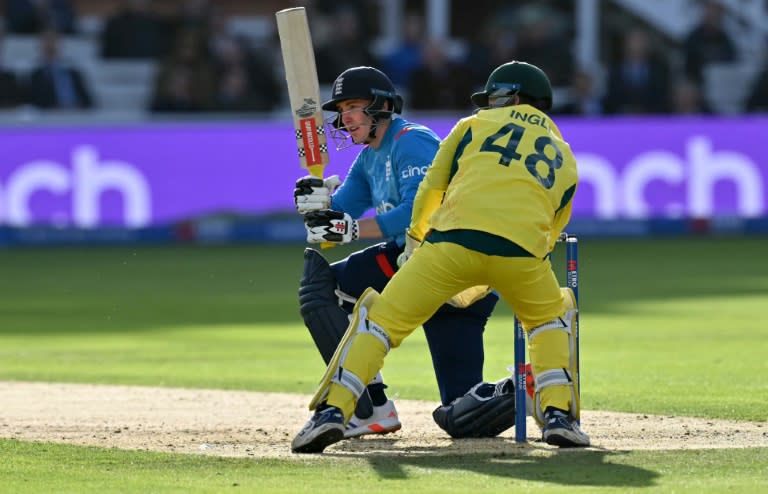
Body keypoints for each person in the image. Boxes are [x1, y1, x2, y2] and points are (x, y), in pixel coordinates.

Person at [292, 60, 589, 453]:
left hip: (444, 253)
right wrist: (318, 208)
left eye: (353, 107)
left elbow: (428, 195)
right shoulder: (565, 155)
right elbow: (554, 225)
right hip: (513, 259)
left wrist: (412, 244)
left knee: (381, 327)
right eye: (342, 110)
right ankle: (553, 409)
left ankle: (340, 409)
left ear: (381, 106)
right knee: (547, 325)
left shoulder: (446, 132)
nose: (345, 118)